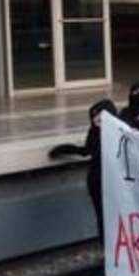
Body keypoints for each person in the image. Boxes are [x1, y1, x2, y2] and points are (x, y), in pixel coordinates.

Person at [48, 99, 117, 242]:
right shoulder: (94, 132)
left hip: (113, 182)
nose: (97, 119)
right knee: (102, 216)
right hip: (97, 181)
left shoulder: (120, 132)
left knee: (113, 216)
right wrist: (63, 149)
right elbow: (85, 151)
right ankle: (107, 247)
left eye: (101, 115)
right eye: (94, 116)